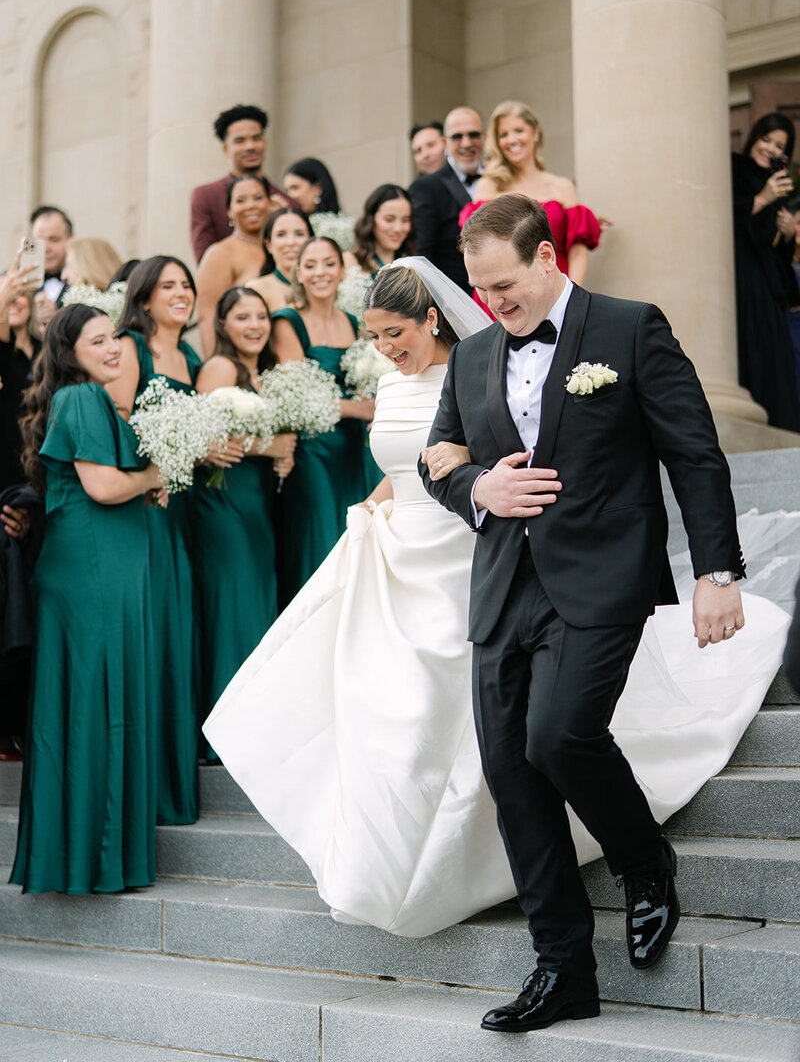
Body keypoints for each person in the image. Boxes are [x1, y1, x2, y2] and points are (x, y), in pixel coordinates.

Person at [204, 258, 786, 955]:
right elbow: (417, 467)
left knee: (545, 736)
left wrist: (476, 482)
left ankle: (626, 862)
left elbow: (542, 456)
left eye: (394, 332)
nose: (384, 348)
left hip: (486, 560)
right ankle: (496, 912)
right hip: (404, 556)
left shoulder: (488, 365)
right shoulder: (396, 382)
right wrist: (380, 503)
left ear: (430, 319)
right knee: (411, 723)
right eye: (373, 335)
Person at [420, 194, 747, 1032]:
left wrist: (716, 569)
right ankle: (563, 968)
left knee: (559, 735)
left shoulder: (631, 327)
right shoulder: (472, 356)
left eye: (505, 285)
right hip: (502, 583)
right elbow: (439, 455)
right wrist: (476, 488)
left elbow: (694, 452)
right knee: (513, 774)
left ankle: (645, 863)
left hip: (603, 576)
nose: (495, 303)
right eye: (480, 289)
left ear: (547, 260)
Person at [10, 304, 163, 893]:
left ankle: (94, 856)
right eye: (97, 341)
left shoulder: (95, 399)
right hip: (91, 568)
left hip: (104, 563)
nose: (112, 348)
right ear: (69, 352)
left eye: (115, 338)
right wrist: (158, 474)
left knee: (102, 703)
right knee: (95, 705)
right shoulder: (80, 399)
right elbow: (101, 486)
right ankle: (91, 858)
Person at [106, 257, 205, 825]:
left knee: (175, 628)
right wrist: (154, 470)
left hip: (184, 505)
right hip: (148, 505)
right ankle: (145, 781)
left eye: (186, 285)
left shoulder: (189, 356)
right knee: (152, 626)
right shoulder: (129, 347)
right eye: (168, 285)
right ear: (142, 298)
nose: (181, 293)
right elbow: (121, 421)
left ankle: (173, 775)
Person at [194, 286, 296, 753]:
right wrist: (269, 446)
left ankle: (250, 724)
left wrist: (284, 453)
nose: (254, 325)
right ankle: (224, 733)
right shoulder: (220, 367)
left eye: (260, 316)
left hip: (257, 504)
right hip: (224, 503)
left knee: (254, 605)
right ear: (222, 325)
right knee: (232, 606)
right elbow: (204, 435)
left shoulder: (263, 372)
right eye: (242, 317)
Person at [270, 236, 375, 603]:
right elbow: (298, 394)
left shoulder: (352, 321)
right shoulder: (287, 322)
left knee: (355, 538)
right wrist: (358, 409)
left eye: (329, 263)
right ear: (297, 272)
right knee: (319, 538)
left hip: (353, 451)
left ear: (342, 270)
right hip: (314, 452)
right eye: (310, 265)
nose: (320, 272)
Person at [473, 100, 601, 285]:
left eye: (519, 130)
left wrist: (571, 300)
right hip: (503, 297)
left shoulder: (562, 187)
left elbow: (578, 253)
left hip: (554, 292)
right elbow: (479, 249)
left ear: (535, 132)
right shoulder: (489, 187)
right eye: (504, 134)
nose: (511, 139)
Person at [731, 112, 800, 432]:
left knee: (777, 355)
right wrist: (761, 199)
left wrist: (785, 234)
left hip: (769, 281)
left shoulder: (777, 183)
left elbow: (769, 244)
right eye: (766, 140)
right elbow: (726, 221)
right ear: (754, 138)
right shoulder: (733, 167)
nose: (770, 149)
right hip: (742, 275)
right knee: (752, 346)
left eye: (779, 146)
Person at [189, 104, 292, 263]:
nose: (250, 146)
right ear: (225, 148)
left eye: (256, 138)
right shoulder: (206, 196)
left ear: (264, 143)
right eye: (240, 141)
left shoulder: (287, 202)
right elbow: (204, 260)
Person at [409, 106, 485, 292]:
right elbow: (424, 256)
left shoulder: (501, 178)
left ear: (484, 137)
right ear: (445, 142)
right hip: (458, 302)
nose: (466, 143)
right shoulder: (425, 187)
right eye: (457, 137)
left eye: (473, 134)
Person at [196, 175, 272, 356]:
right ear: (229, 210)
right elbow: (207, 318)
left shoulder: (280, 247)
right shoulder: (220, 253)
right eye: (241, 200)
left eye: (258, 198)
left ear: (269, 203)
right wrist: (218, 366)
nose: (251, 205)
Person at [0, 249, 42, 492]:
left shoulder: (44, 347)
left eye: (19, 294)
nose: (14, 302)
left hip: (42, 452)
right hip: (8, 455)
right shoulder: (4, 353)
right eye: (7, 296)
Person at [246, 207, 313, 316]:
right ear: (269, 245)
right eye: (281, 235)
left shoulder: (323, 285)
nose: (291, 242)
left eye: (299, 234)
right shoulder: (257, 289)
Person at [350, 184, 414, 274]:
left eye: (405, 220)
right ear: (371, 219)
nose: (398, 229)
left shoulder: (412, 264)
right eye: (389, 220)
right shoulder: (351, 261)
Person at [30, 205, 73, 330]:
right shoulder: (20, 283)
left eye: (54, 240)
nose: (46, 248)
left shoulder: (86, 282)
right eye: (40, 241)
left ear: (71, 240)